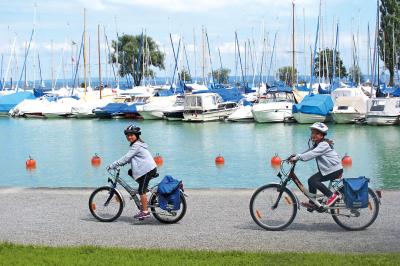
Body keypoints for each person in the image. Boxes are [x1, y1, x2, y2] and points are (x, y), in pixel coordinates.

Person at [289, 122, 343, 211]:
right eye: (312, 133)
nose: (313, 135)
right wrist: (296, 156)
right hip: (329, 169)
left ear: (322, 136)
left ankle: (332, 196)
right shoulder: (317, 144)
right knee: (311, 181)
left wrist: (298, 157)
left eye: (316, 133)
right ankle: (313, 203)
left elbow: (312, 154)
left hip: (334, 170)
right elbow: (308, 151)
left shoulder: (323, 145)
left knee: (313, 180)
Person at [107, 124, 157, 220]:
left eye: (131, 135)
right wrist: (122, 163)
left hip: (148, 169)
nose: (129, 137)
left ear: (137, 135)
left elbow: (127, 157)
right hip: (146, 169)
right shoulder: (137, 144)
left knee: (141, 190)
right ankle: (144, 189)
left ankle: (145, 212)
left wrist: (113, 165)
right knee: (131, 172)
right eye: (128, 135)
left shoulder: (137, 145)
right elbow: (132, 158)